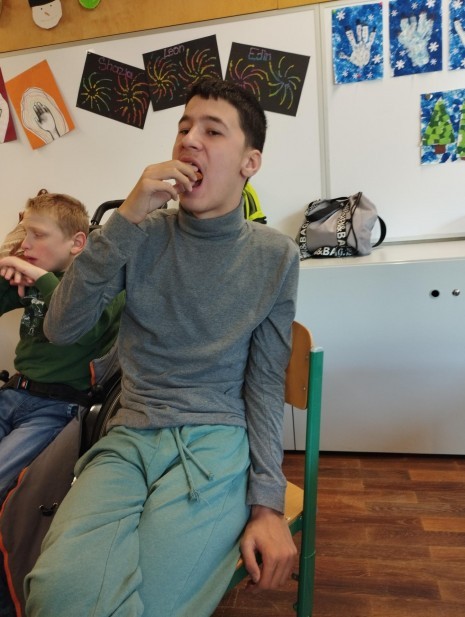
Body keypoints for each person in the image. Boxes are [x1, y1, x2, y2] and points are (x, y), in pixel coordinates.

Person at [24, 78, 300, 617]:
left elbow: (266, 384)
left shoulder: (275, 256)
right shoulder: (140, 232)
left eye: (212, 131)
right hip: (128, 435)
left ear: (250, 162)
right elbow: (60, 328)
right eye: (183, 128)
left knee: (153, 605)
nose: (189, 140)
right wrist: (123, 219)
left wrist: (267, 502)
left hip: (215, 443)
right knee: (55, 594)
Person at [0, 189, 124, 502]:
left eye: (38, 235)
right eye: (25, 233)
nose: (26, 244)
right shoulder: (35, 276)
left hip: (56, 408)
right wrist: (6, 267)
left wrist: (41, 277)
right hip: (14, 393)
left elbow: (78, 329)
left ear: (77, 243)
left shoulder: (103, 286)